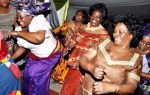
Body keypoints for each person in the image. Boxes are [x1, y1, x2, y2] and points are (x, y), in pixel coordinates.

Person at [78, 14, 144, 95]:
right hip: (85, 91)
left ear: (131, 35)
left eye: (121, 32)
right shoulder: (104, 43)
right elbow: (83, 57)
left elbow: (132, 86)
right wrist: (91, 67)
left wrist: (112, 87)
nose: (115, 34)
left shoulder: (135, 58)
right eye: (115, 31)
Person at [8, 2, 61, 95]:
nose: (19, 20)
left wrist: (18, 33)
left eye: (21, 17)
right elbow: (23, 47)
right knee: (26, 74)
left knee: (36, 77)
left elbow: (39, 38)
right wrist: (10, 59)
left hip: (50, 55)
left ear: (30, 16)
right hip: (35, 54)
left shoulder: (38, 20)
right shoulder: (21, 28)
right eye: (17, 17)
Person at [60, 3, 110, 95]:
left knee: (78, 90)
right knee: (67, 87)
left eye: (98, 17)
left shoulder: (104, 35)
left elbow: (103, 56)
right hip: (74, 64)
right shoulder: (82, 28)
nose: (94, 18)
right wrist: (67, 46)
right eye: (92, 15)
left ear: (102, 19)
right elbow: (73, 42)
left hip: (87, 68)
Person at [51, 9, 88, 83]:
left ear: (83, 17)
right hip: (65, 46)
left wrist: (74, 35)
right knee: (62, 62)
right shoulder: (69, 24)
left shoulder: (85, 27)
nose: (77, 15)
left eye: (79, 14)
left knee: (70, 64)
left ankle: (65, 79)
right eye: (77, 14)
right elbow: (57, 32)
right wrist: (66, 31)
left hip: (76, 49)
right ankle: (58, 77)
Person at [138, 23, 150, 95]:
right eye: (142, 41)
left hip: (146, 87)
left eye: (148, 44)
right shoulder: (132, 48)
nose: (144, 45)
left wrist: (138, 73)